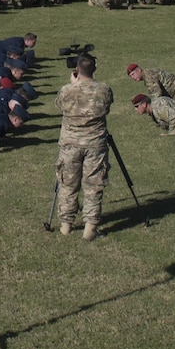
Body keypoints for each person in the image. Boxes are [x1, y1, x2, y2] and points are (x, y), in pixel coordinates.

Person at [54, 52, 112, 240]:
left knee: (68, 183)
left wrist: (74, 85)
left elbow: (59, 105)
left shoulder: (67, 90)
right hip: (95, 143)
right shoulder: (104, 90)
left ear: (77, 70)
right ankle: (90, 227)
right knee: (94, 184)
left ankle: (66, 225)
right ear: (94, 68)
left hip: (70, 144)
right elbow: (106, 108)